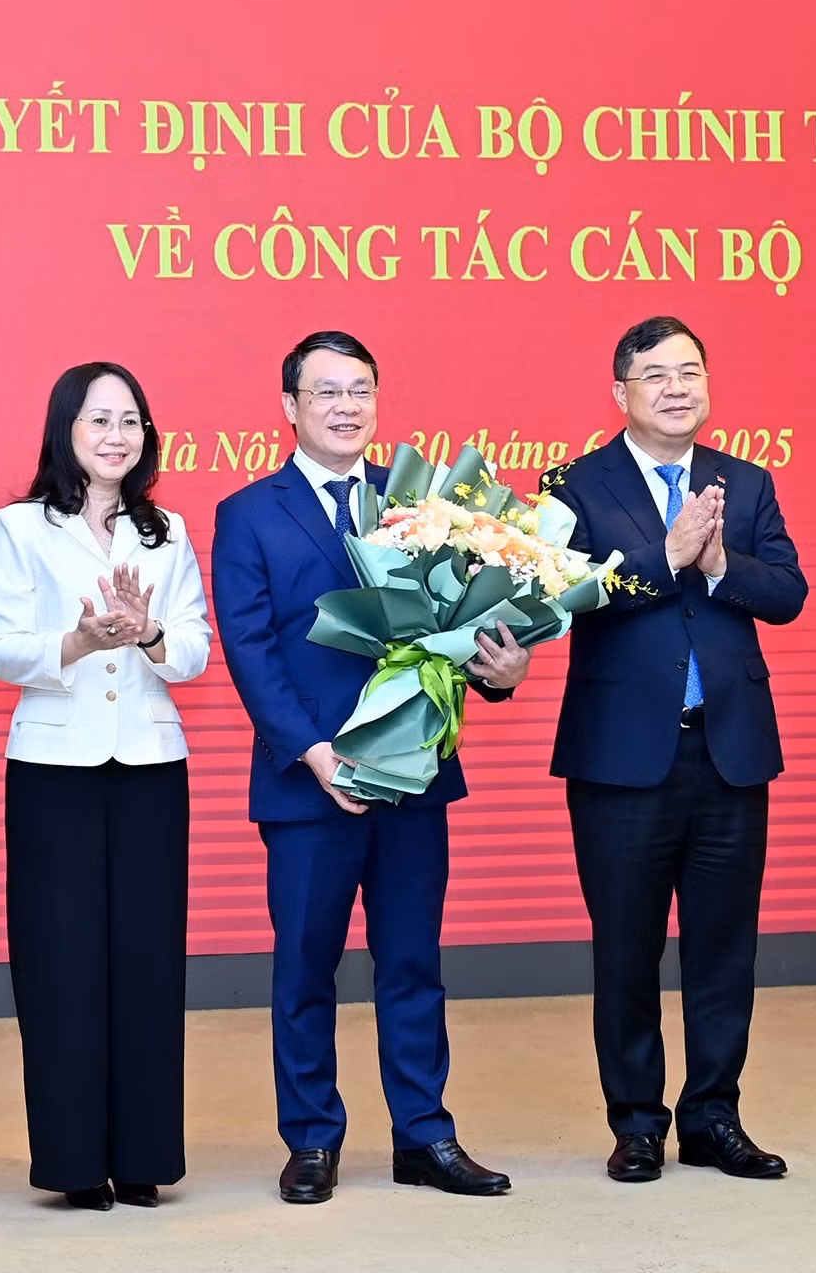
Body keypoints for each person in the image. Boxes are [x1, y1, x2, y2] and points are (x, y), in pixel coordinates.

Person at [211, 330, 531, 1205]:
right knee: (304, 969)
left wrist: (500, 671)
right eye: (326, 392)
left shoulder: (423, 504)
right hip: (308, 782)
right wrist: (318, 756)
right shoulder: (250, 512)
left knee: (413, 964)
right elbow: (249, 649)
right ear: (290, 406)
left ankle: (425, 1135)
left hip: (415, 776)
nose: (345, 407)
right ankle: (312, 1138)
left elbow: (462, 626)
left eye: (360, 390)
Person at [541, 315, 807, 1184]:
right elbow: (566, 598)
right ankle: (636, 1124)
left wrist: (722, 565)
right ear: (620, 392)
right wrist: (668, 555)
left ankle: (714, 1118)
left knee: (724, 950)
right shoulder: (574, 485)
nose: (676, 388)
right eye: (655, 375)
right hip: (621, 759)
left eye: (690, 372)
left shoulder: (746, 482)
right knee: (626, 950)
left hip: (729, 751)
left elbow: (789, 593)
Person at [0, 362, 212, 1211]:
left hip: (149, 766)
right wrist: (78, 640)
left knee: (148, 962)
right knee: (61, 962)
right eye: (98, 420)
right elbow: (0, 650)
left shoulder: (167, 531)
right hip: (53, 771)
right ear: (65, 430)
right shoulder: (21, 526)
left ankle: (143, 1156)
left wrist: (148, 633)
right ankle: (74, 1162)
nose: (116, 436)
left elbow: (195, 650)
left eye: (130, 421)